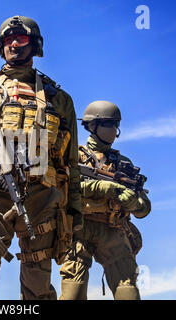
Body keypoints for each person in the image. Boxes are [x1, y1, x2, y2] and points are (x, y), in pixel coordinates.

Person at [0, 15, 81, 300]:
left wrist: (75, 213)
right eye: (8, 40)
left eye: (21, 39)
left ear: (35, 45)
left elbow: (70, 163)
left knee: (38, 282)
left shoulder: (60, 99)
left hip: (42, 195)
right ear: (1, 47)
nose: (14, 44)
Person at [59, 100, 151, 300]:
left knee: (128, 291)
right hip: (79, 229)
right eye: (109, 124)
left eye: (116, 125)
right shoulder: (75, 155)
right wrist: (103, 187)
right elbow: (64, 185)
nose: (113, 130)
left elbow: (144, 209)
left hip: (114, 231)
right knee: (73, 293)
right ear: (92, 126)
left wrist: (133, 202)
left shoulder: (124, 164)